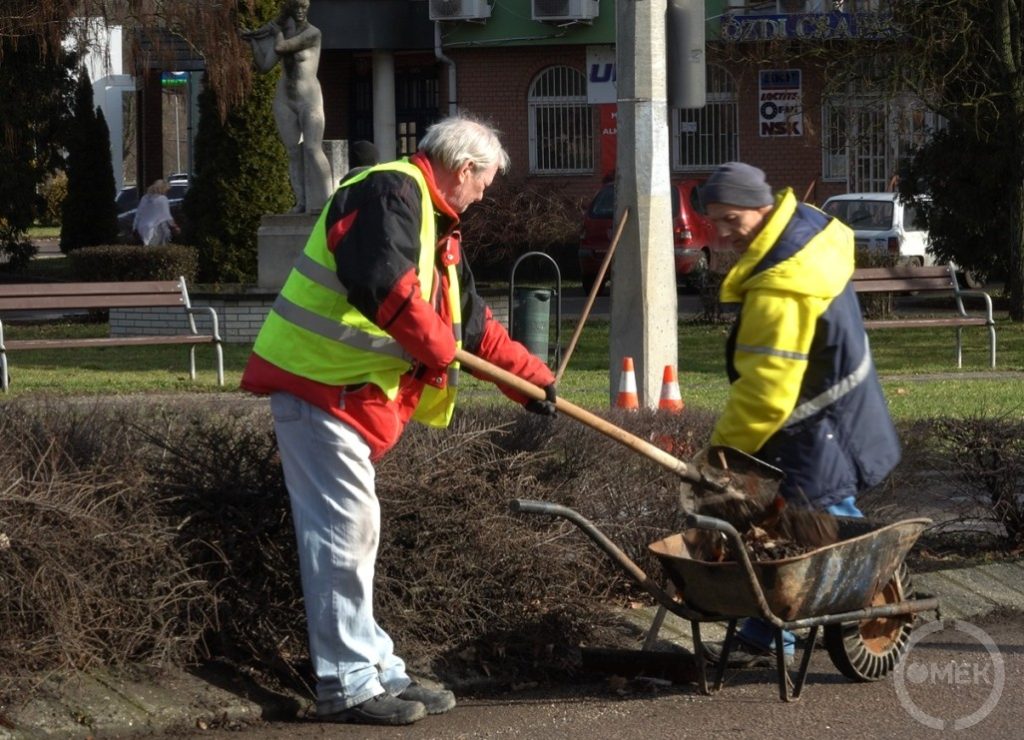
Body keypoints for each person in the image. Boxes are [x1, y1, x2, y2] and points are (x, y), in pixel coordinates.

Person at [240, 114, 557, 726]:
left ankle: (376, 665)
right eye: (485, 182)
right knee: (344, 534)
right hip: (319, 386)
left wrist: (532, 382)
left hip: (345, 395)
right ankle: (348, 683)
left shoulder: (435, 223)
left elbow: (471, 326)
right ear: (464, 169)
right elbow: (379, 282)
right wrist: (436, 348)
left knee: (356, 534)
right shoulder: (389, 190)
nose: (485, 194)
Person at [698, 162, 901, 668]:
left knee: (819, 527)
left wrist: (722, 456)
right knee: (792, 526)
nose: (722, 232)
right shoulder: (801, 234)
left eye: (732, 219)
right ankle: (770, 632)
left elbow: (766, 392)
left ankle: (813, 623)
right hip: (830, 416)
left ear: (762, 209)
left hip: (818, 427)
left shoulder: (780, 284)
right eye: (714, 219)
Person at [242, 0, 333, 213]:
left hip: (309, 99)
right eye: (296, 9)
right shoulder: (283, 33)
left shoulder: (313, 34)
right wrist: (253, 41)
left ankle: (329, 199)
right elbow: (264, 66)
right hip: (285, 98)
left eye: (304, 8)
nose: (300, 12)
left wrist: (274, 32)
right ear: (290, 12)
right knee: (293, 152)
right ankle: (300, 201)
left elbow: (281, 46)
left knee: (312, 148)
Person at [132, 179, 179, 246]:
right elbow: (167, 216)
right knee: (155, 250)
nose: (167, 192)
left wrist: (134, 227)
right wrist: (175, 226)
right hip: (155, 229)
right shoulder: (162, 199)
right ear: (163, 188)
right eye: (166, 190)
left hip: (142, 228)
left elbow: (138, 213)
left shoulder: (145, 198)